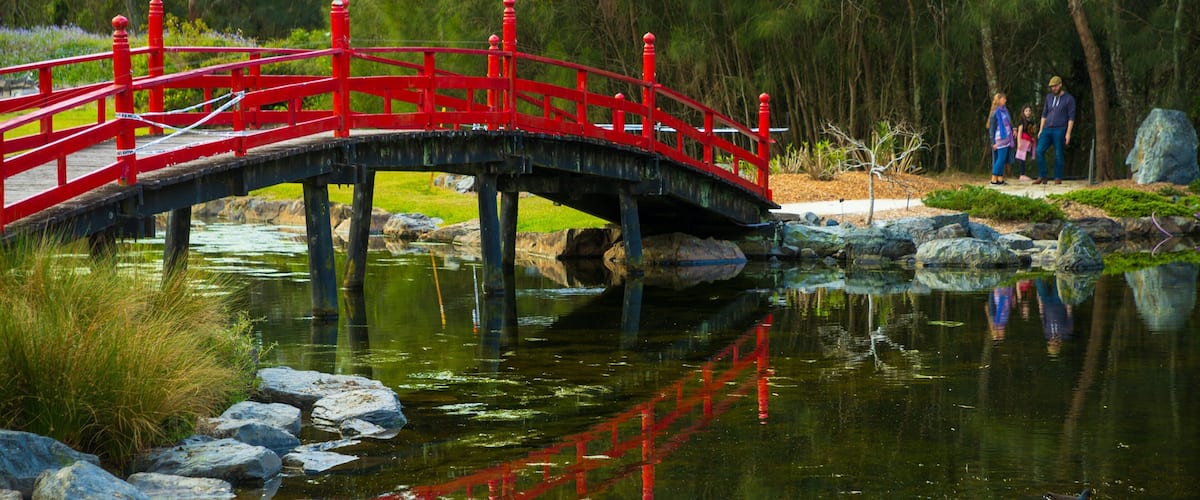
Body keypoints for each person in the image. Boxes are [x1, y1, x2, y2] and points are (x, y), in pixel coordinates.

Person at [1033, 76, 1075, 185]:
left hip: (1060, 129)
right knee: (1039, 151)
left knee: (1058, 153)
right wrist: (1041, 129)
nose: (1053, 89)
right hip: (1047, 128)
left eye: (1055, 86)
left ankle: (1057, 176)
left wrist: (1068, 133)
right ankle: (1043, 175)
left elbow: (1071, 117)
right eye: (1052, 87)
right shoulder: (1049, 97)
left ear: (1060, 85)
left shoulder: (1069, 99)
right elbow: (1044, 114)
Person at [1035, 277, 1073, 356]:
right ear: (1058, 344)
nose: (1052, 342)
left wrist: (1040, 303)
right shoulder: (1066, 333)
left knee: (1039, 283)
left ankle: (1036, 271)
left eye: (1051, 344)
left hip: (1046, 302)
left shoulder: (1047, 334)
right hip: (1059, 301)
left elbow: (1043, 317)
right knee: (1058, 281)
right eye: (1054, 344)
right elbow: (1069, 315)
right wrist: (1068, 303)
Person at [986, 92, 1014, 185]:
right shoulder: (995, 113)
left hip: (1006, 138)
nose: (1005, 100)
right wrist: (993, 142)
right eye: (1003, 99)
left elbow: (1009, 123)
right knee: (1000, 159)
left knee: (1002, 159)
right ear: (999, 100)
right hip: (999, 139)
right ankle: (993, 178)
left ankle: (1000, 179)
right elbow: (992, 129)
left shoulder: (1005, 110)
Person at [1014, 105, 1037, 181]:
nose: (1028, 112)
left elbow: (1031, 131)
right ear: (1023, 112)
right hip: (1023, 141)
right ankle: (1021, 174)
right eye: (1026, 111)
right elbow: (1019, 132)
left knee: (1025, 157)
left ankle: (1023, 173)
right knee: (1021, 158)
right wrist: (1019, 143)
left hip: (1029, 142)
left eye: (1029, 111)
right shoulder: (1022, 121)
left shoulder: (1031, 121)